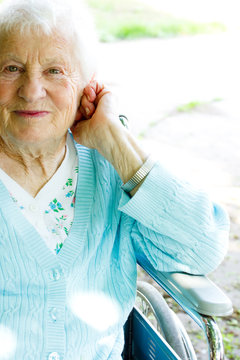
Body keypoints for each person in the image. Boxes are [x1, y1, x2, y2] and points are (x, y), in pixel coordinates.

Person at [0, 0, 229, 359]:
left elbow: (202, 249)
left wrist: (117, 144)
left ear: (86, 86)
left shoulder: (111, 169)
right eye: (11, 68)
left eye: (54, 71)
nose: (31, 90)